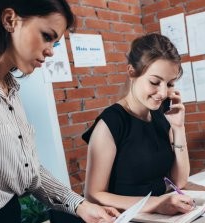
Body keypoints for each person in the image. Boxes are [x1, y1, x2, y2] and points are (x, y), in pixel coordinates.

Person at [0, 0, 120, 222]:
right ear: (10, 20)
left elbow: (31, 170)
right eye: (47, 36)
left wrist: (80, 205)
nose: (50, 52)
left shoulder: (10, 89)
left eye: (55, 43)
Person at [82, 33, 194, 215]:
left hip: (162, 214)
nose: (163, 93)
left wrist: (179, 128)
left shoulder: (161, 116)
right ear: (132, 72)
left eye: (170, 83)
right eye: (155, 82)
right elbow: (93, 195)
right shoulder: (111, 123)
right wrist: (155, 203)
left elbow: (179, 181)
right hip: (128, 217)